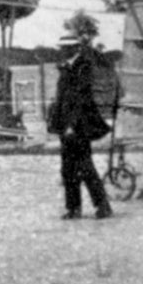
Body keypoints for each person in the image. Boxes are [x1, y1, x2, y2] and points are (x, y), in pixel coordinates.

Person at [49, 31, 113, 220]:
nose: (62, 51)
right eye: (62, 48)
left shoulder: (82, 67)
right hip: (66, 126)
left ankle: (102, 205)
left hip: (79, 126)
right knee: (67, 169)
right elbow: (62, 99)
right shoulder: (66, 67)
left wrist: (71, 125)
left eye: (66, 48)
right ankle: (73, 208)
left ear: (74, 48)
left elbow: (81, 99)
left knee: (85, 167)